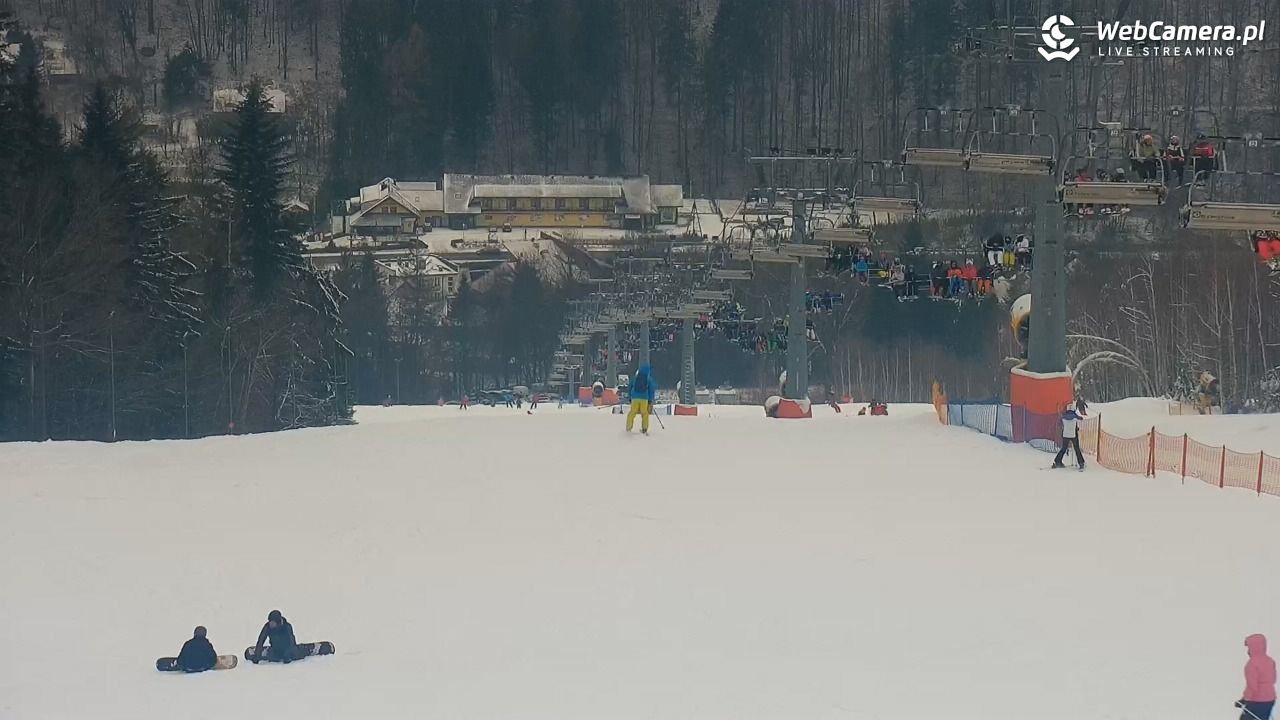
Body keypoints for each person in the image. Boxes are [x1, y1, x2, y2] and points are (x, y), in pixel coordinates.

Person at [1238, 634, 1276, 720]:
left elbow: (1252, 686)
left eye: (1249, 647)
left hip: (1257, 700)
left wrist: (1245, 699)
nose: (1248, 651)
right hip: (1270, 699)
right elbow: (1273, 679)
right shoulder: (1270, 661)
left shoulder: (1252, 664)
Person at [1052, 403, 1085, 469]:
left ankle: (1057, 461)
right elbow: (1081, 418)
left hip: (1065, 435)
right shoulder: (1075, 416)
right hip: (1073, 435)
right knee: (1076, 448)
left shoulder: (1063, 416)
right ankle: (1081, 463)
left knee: (1063, 448)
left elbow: (1059, 424)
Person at [626, 364, 655, 434]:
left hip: (635, 398)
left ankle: (628, 428)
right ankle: (644, 428)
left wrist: (630, 397)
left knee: (632, 412)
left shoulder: (635, 378)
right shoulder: (648, 379)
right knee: (644, 413)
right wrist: (650, 399)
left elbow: (629, 387)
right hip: (644, 399)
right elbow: (651, 390)